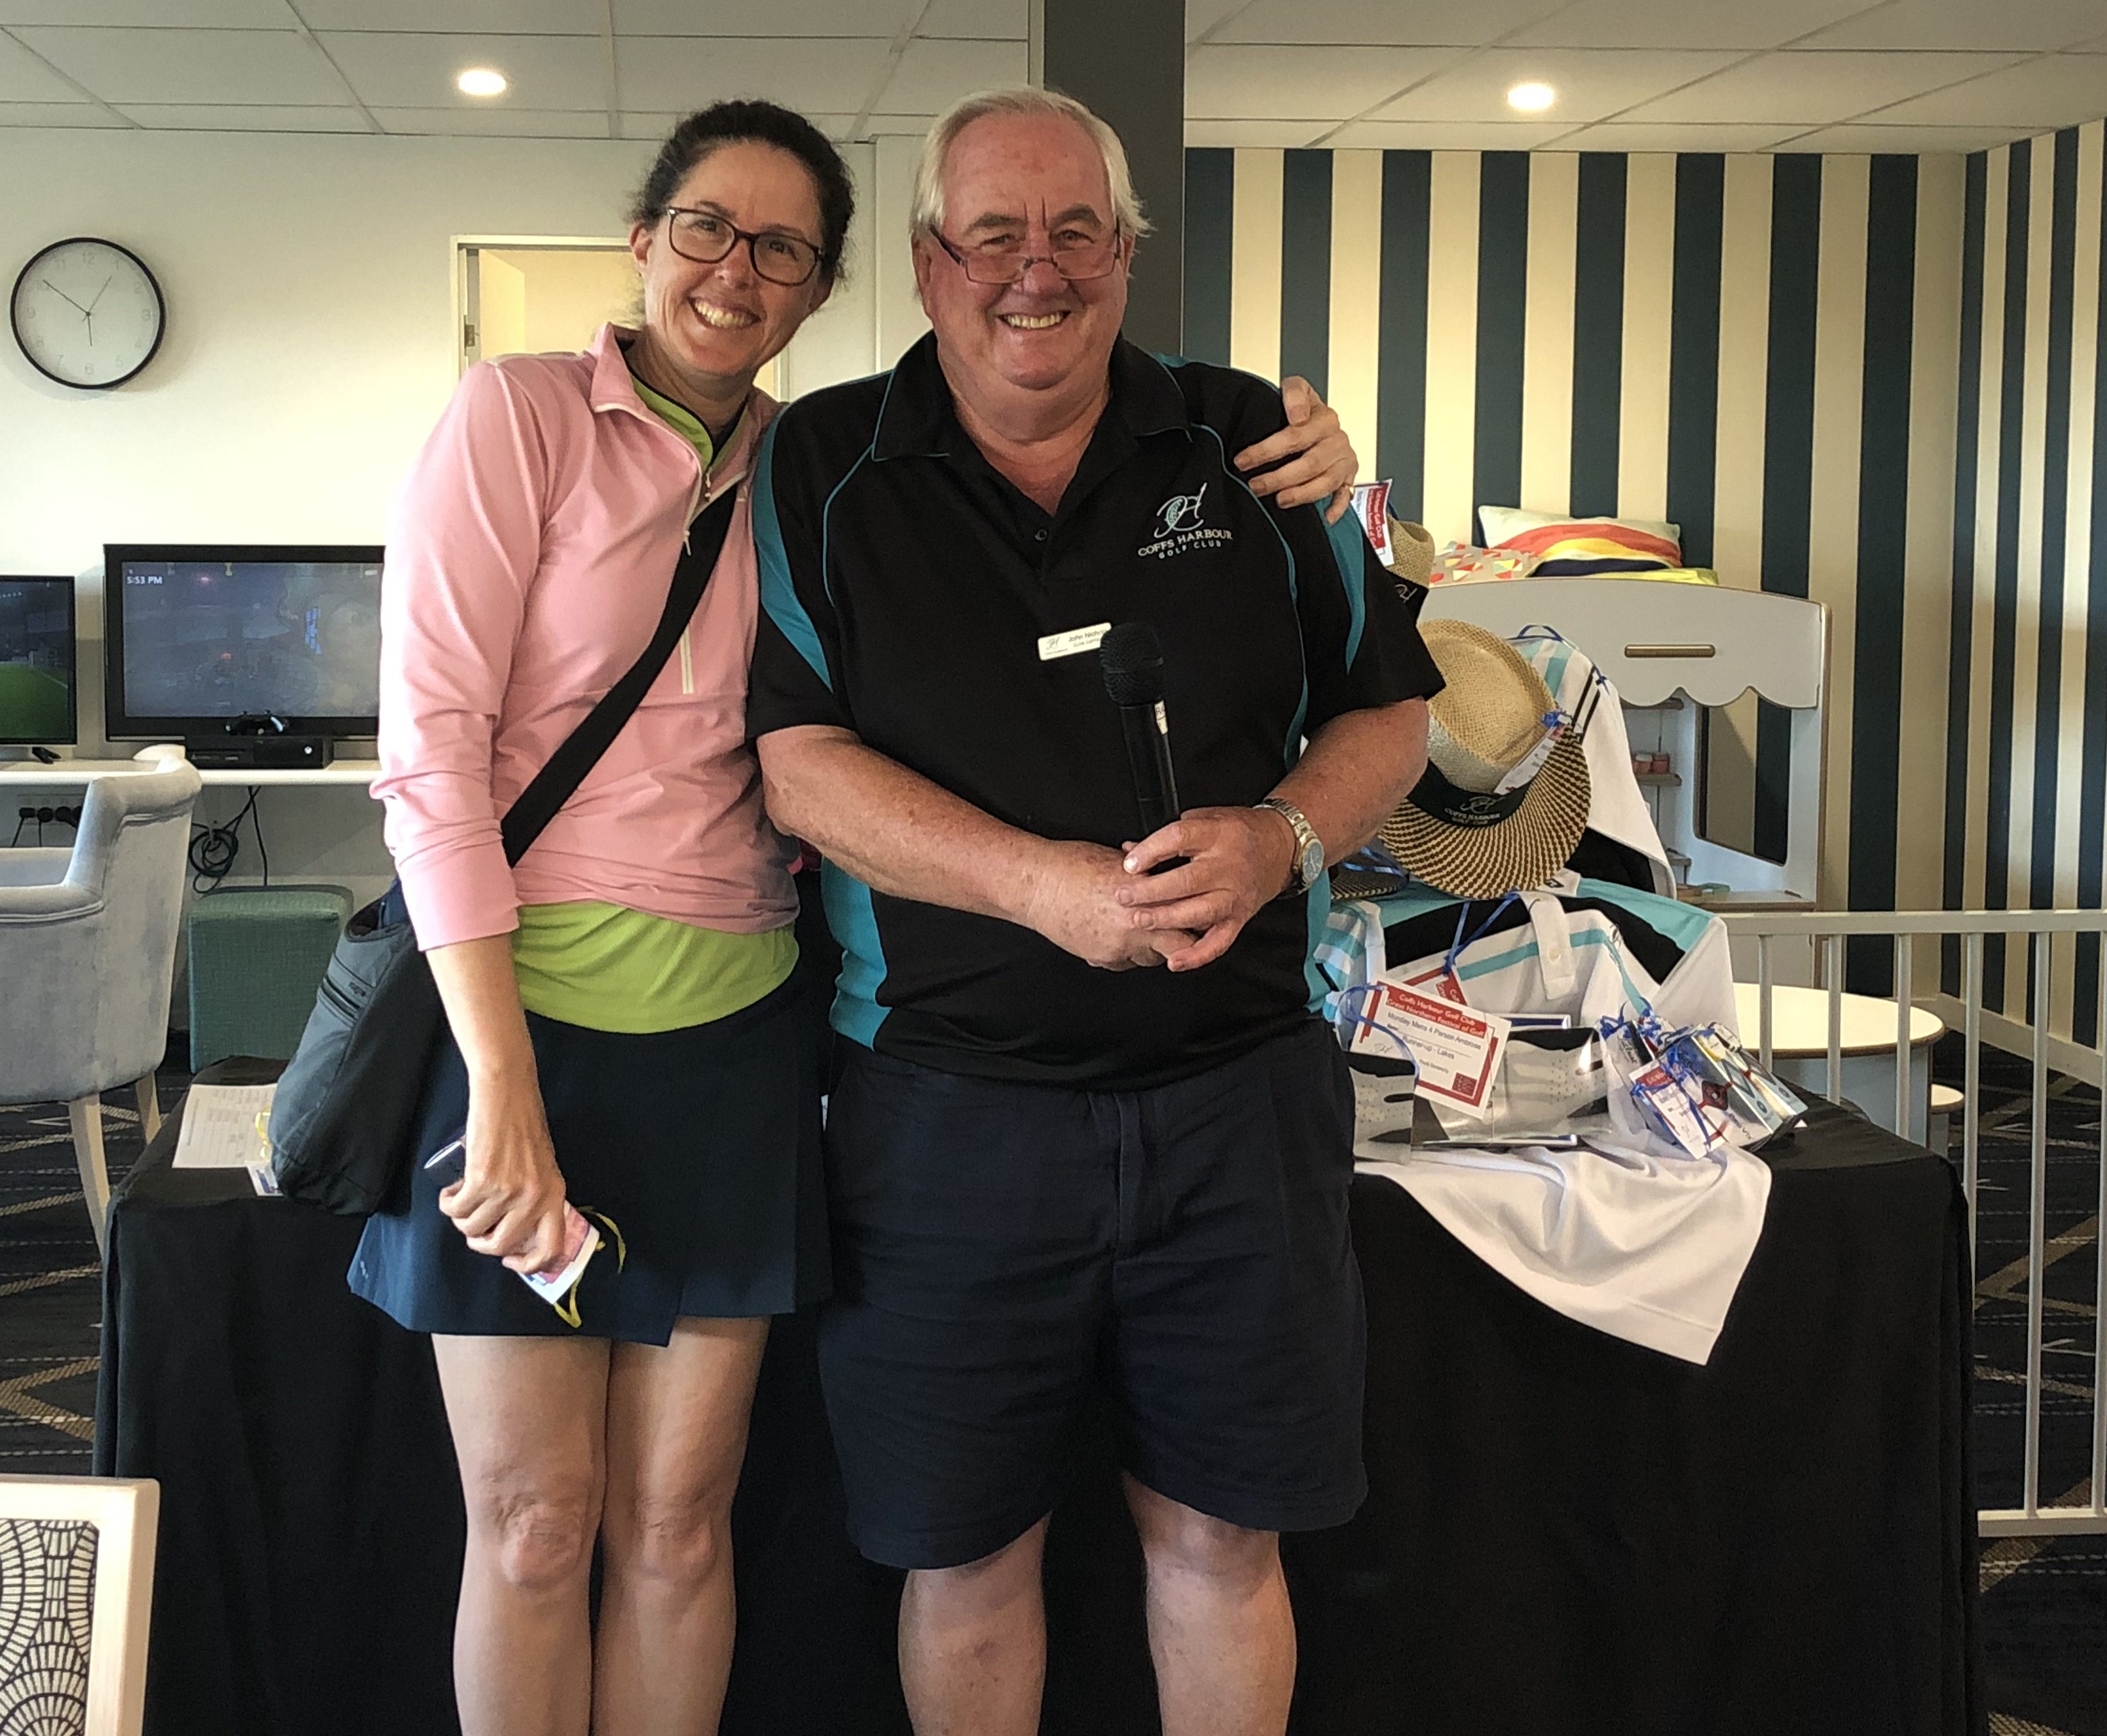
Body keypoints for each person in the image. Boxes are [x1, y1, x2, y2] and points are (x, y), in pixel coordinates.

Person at [349, 95, 1371, 1736]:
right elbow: (437, 765)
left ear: (828, 285)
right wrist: (503, 1089)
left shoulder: (804, 455)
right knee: (537, 1526)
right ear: (644, 238)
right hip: (532, 1032)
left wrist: (1341, 475)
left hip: (740, 1040)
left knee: (680, 1529)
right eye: (706, 228)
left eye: (781, 249)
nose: (735, 271)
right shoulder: (537, 417)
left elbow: (1377, 679)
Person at [748, 86, 1444, 1736]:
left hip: (1240, 1104)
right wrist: (1038, 889)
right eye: (994, 234)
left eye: (1076, 232)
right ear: (930, 261)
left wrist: (1280, 838)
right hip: (945, 1113)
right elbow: (799, 768)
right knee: (964, 1556)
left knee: (1222, 1540)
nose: (1036, 271)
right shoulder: (823, 462)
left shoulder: (1249, 440)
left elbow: (1392, 715)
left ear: (1127, 254)